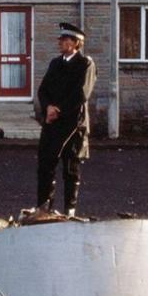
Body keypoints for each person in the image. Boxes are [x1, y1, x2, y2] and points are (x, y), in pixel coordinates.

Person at [35, 23, 96, 217]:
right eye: (60, 39)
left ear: (76, 43)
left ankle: (69, 209)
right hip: (52, 122)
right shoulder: (55, 63)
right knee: (46, 164)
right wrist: (48, 107)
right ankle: (44, 206)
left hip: (73, 124)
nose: (60, 42)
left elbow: (81, 93)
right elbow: (43, 90)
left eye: (65, 39)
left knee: (71, 167)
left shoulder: (85, 64)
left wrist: (58, 109)